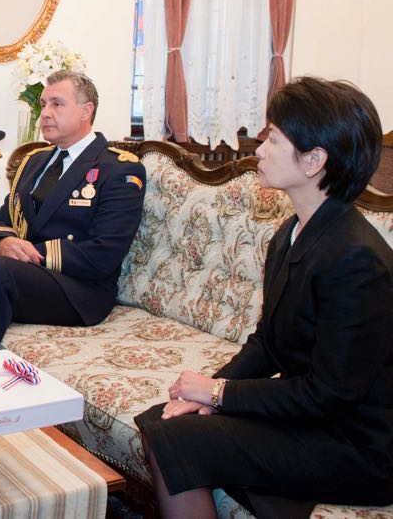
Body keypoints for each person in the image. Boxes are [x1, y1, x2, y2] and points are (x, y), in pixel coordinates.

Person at [135, 77, 393, 519]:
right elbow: (269, 343)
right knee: (166, 417)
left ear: (314, 160)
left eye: (273, 137)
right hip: (315, 417)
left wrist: (218, 392)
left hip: (355, 443)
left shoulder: (357, 260)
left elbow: (327, 396)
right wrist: (203, 395)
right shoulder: (290, 234)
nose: (259, 146)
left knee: (176, 437)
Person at [0, 70, 146, 355]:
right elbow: (4, 217)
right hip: (25, 274)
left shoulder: (118, 168)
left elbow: (104, 252)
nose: (45, 113)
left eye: (57, 104)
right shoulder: (36, 161)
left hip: (80, 289)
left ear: (86, 111)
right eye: (44, 104)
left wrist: (25, 256)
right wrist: (5, 242)